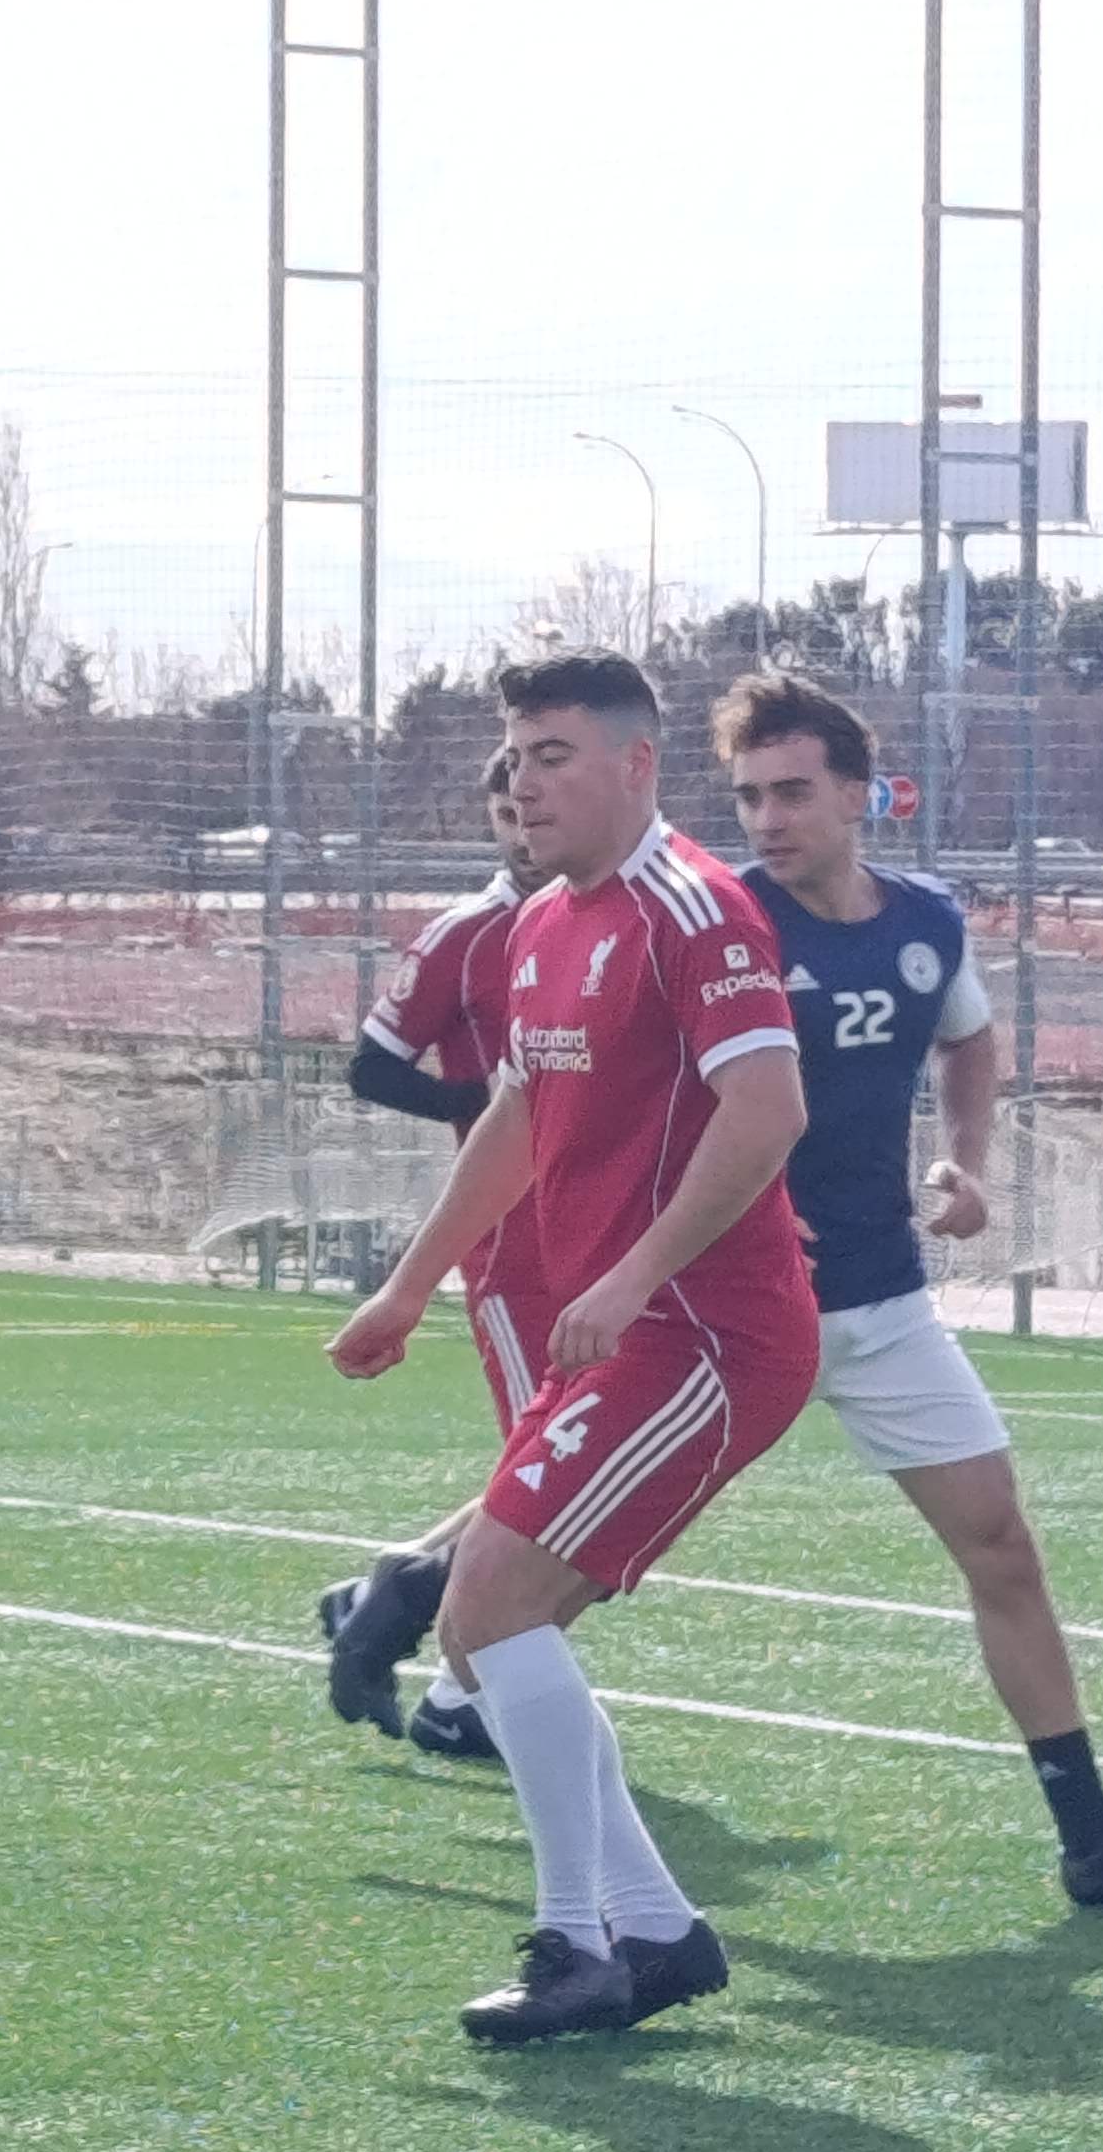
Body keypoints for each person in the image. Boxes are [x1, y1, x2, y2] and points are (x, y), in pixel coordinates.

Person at [328, 652, 820, 2044]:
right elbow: (515, 1122)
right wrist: (408, 1287)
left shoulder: (696, 911)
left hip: (709, 1336)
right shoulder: (542, 923)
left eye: (552, 754)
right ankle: (652, 1933)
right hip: (622, 1337)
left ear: (634, 763)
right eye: (515, 757)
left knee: (487, 1608)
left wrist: (636, 1270)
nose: (524, 782)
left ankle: (578, 1945)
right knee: (490, 1618)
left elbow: (768, 1111)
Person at [717, 671, 1103, 1907]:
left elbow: (967, 1036)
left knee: (1001, 1546)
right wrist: (730, 1216)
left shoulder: (928, 921)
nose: (768, 819)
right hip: (736, 1307)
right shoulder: (716, 926)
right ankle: (416, 1592)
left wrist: (967, 1161)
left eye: (792, 792)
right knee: (575, 1548)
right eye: (748, 797)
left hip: (881, 1300)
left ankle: (1091, 1836)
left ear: (860, 795)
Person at [317, 744, 552, 1760]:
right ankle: (460, 1690)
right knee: (555, 1475)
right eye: (506, 812)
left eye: (537, 801)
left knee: (573, 1470)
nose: (525, 827)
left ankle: (397, 1589)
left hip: (611, 1233)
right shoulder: (469, 933)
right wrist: (481, 1101)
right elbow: (371, 1067)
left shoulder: (618, 918)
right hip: (512, 1237)